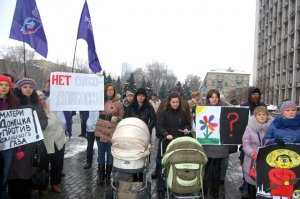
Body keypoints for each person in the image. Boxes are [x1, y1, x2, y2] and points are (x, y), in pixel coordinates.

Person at [8, 78, 48, 199]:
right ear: (19, 88)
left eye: (30, 87)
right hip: (17, 146)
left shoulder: (37, 104)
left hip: (32, 147)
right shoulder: (13, 102)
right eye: (25, 87)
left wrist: (35, 124)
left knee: (28, 173)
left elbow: (44, 122)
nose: (28, 89)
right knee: (15, 174)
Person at [156, 92, 192, 199]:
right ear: (169, 102)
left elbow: (188, 124)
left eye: (177, 102)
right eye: (173, 102)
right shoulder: (164, 113)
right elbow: (159, 126)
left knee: (177, 163)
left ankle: (176, 184)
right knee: (162, 164)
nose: (175, 104)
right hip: (166, 141)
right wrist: (166, 134)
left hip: (178, 142)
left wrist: (187, 129)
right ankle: (160, 187)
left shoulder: (183, 112)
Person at [38, 91, 67, 193]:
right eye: (39, 99)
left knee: (57, 164)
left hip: (58, 140)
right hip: (45, 143)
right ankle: (43, 185)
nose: (42, 101)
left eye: (43, 99)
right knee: (43, 165)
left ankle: (55, 183)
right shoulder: (35, 111)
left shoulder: (53, 107)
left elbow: (63, 121)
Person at [94, 84, 123, 185]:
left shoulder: (119, 103)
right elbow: (96, 113)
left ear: (114, 91)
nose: (110, 91)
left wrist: (117, 118)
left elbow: (121, 116)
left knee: (110, 156)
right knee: (101, 155)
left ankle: (107, 176)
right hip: (100, 131)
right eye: (108, 90)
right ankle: (101, 176)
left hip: (112, 133)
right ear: (105, 91)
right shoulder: (100, 102)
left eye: (112, 90)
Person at [203, 89, 229, 199]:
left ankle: (215, 191)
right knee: (207, 169)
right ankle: (205, 190)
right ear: (208, 98)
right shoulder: (203, 110)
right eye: (212, 97)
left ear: (219, 98)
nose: (214, 99)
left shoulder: (225, 109)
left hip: (220, 146)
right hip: (207, 144)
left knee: (218, 170)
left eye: (216, 97)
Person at [242, 106, 273, 199]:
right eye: (259, 115)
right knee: (252, 183)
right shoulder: (249, 128)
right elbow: (246, 143)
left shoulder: (272, 127)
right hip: (252, 160)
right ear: (255, 116)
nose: (262, 116)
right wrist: (252, 153)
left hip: (267, 160)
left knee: (265, 185)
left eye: (264, 114)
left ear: (267, 116)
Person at [0, 75, 19, 199]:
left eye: (6, 85)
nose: (3, 87)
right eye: (1, 85)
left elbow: (19, 124)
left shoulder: (14, 102)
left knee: (5, 173)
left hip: (8, 145)